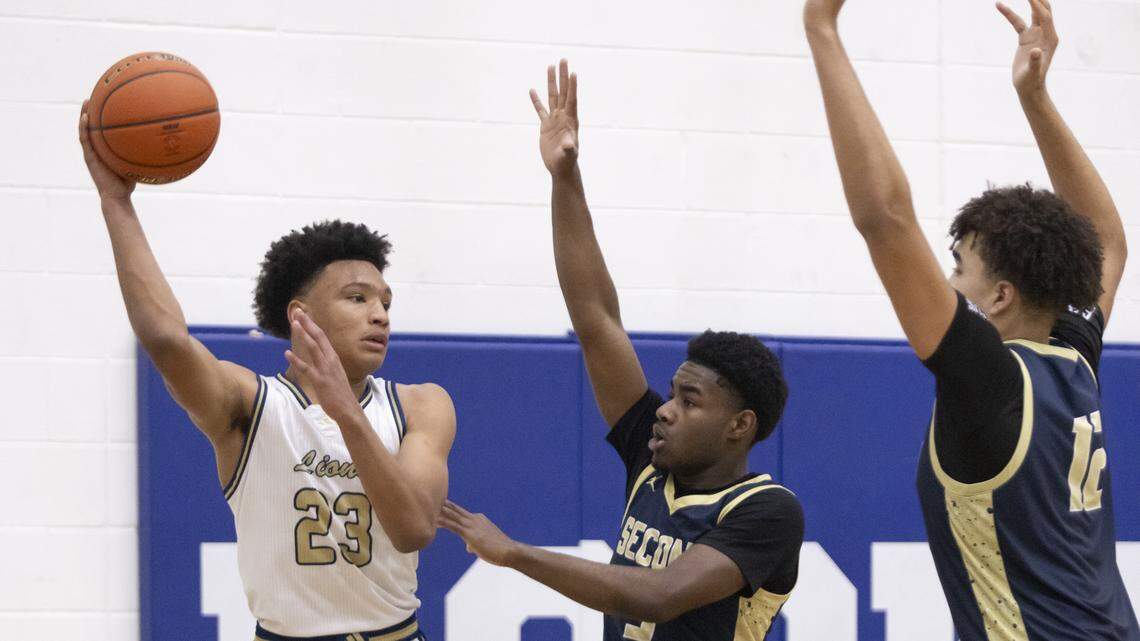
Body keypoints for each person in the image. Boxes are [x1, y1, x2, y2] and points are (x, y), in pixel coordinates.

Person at [803, 0, 1136, 638]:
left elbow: (885, 219)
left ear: (1003, 296)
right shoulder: (1071, 353)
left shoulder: (990, 383)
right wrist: (1035, 99)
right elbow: (1107, 242)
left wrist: (822, 28)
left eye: (960, 266)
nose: (949, 281)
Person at [441, 60, 803, 641]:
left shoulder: (765, 511)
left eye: (689, 401)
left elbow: (658, 597)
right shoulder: (651, 464)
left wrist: (512, 553)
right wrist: (565, 179)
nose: (664, 409)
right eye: (672, 395)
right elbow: (596, 319)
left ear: (740, 425)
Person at [78, 102, 455, 641]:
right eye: (357, 297)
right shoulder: (249, 404)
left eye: (386, 302)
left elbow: (414, 528)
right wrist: (115, 201)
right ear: (301, 316)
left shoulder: (422, 404)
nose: (380, 314)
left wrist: (347, 413)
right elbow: (165, 338)